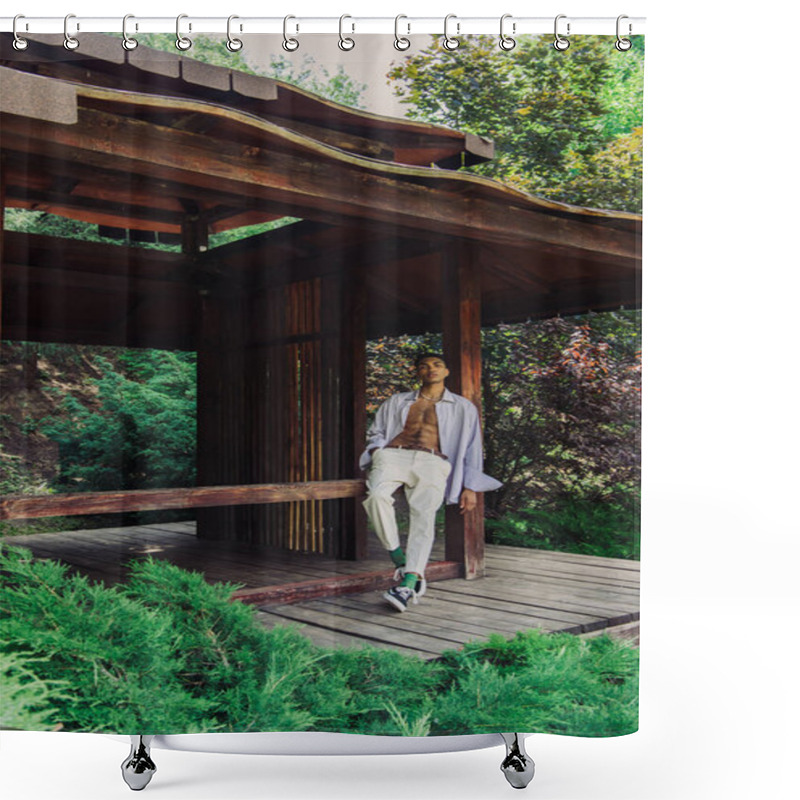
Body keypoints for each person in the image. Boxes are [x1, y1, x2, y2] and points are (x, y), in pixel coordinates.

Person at [360, 353, 502, 611]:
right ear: (417, 372)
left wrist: (470, 486)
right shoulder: (397, 401)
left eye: (437, 364)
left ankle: (409, 582)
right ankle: (400, 560)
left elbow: (472, 447)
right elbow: (377, 431)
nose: (431, 369)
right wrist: (375, 451)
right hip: (393, 455)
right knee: (376, 498)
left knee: (424, 515)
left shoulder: (462, 407)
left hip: (433, 461)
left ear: (447, 371)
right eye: (424, 366)